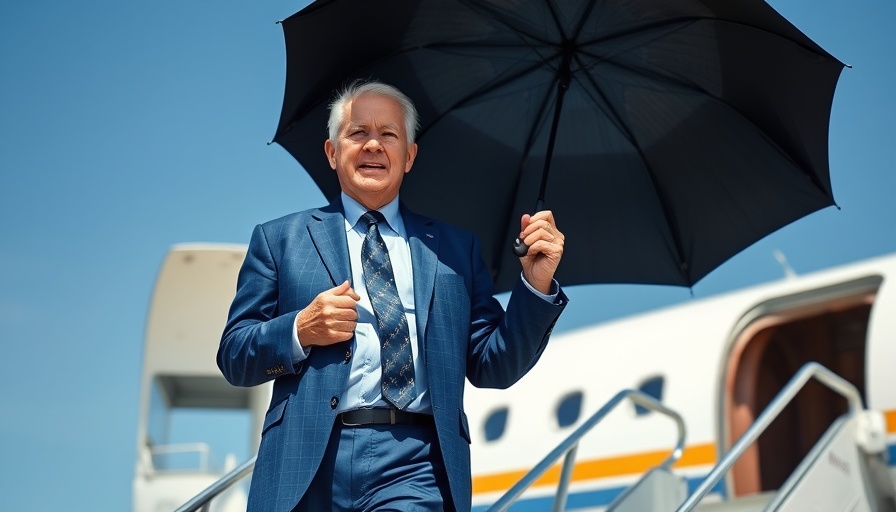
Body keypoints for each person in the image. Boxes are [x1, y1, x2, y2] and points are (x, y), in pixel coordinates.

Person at [217, 80, 568, 512]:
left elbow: (493, 363)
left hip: (415, 462)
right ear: (331, 152)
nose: (373, 146)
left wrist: (535, 285)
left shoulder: (455, 250)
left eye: (388, 135)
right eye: (357, 132)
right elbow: (234, 353)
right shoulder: (279, 240)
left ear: (409, 156)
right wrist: (299, 329)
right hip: (305, 461)